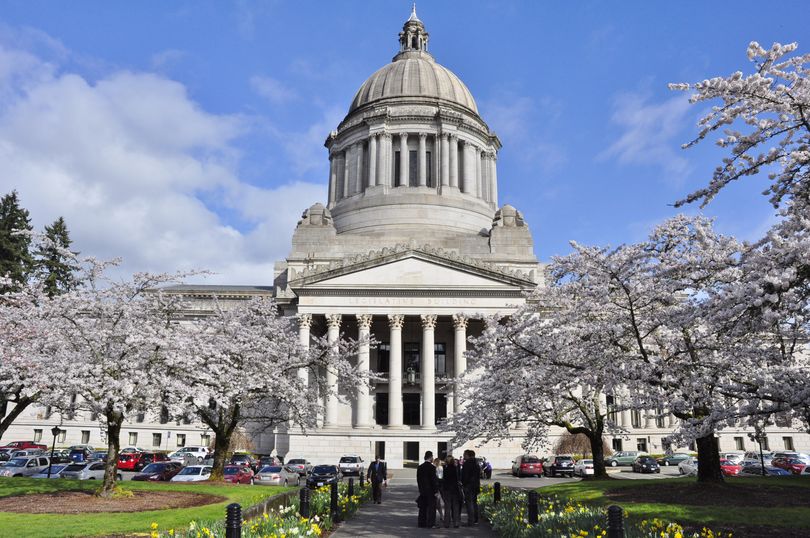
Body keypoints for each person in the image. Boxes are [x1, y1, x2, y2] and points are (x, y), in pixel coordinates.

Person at [416, 450, 439, 528]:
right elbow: (433, 480)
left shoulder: (420, 467)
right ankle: (431, 523)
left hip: (422, 490)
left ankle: (421, 523)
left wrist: (420, 489)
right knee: (432, 508)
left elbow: (418, 479)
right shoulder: (432, 467)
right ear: (431, 457)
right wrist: (436, 491)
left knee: (422, 507)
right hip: (431, 490)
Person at [440, 455, 462, 528]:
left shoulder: (445, 469)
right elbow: (458, 478)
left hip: (447, 489)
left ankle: (447, 523)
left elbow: (443, 479)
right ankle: (456, 523)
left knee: (447, 507)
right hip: (455, 489)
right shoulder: (455, 469)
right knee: (455, 506)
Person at [461, 449, 481, 526]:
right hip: (475, 486)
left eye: (464, 454)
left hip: (469, 486)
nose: (463, 456)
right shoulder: (476, 463)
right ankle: (475, 520)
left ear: (468, 455)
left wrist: (464, 484)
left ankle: (471, 521)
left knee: (469, 504)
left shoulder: (467, 464)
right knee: (474, 503)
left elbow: (464, 476)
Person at [433, 457, 445, 524]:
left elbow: (439, 477)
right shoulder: (440, 468)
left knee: (438, 502)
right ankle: (442, 516)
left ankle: (442, 516)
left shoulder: (438, 468)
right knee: (439, 503)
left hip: (438, 487)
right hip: (440, 487)